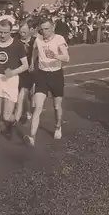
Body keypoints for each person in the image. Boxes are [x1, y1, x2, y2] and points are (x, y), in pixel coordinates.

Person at [24, 18, 70, 146]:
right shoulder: (38, 39)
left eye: (47, 29)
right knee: (38, 107)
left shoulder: (59, 39)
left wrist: (55, 55)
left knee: (56, 106)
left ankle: (57, 126)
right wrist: (32, 63)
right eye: (42, 29)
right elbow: (34, 50)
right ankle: (32, 136)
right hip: (42, 76)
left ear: (53, 27)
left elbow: (66, 57)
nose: (44, 32)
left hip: (56, 75)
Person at [0, 19, 29, 152]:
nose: (2, 35)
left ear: (11, 31)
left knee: (6, 116)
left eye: (5, 33)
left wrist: (12, 72)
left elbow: (25, 65)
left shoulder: (17, 45)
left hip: (11, 80)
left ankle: (12, 121)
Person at [13, 19, 37, 124]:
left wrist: (33, 64)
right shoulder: (16, 40)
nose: (22, 34)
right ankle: (19, 116)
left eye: (24, 32)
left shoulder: (35, 41)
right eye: (20, 31)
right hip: (19, 70)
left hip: (31, 72)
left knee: (28, 94)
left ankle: (27, 111)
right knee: (21, 93)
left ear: (31, 30)